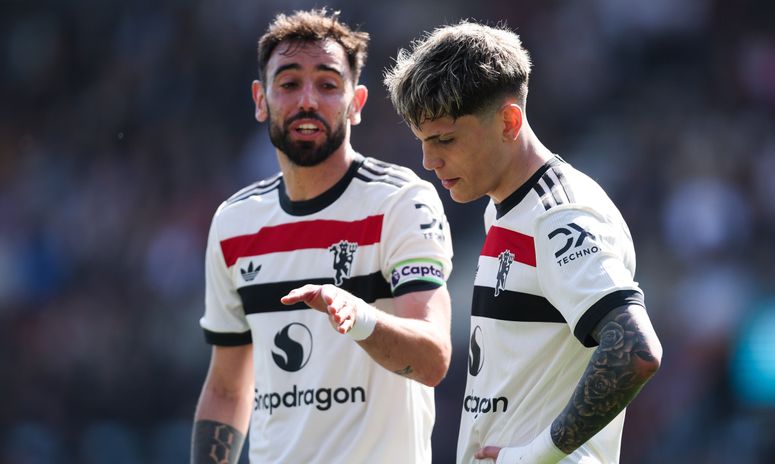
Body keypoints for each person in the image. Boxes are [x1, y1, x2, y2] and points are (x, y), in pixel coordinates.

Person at [384, 21, 662, 463]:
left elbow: (635, 348)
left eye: (445, 140)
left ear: (509, 121)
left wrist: (536, 454)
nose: (428, 161)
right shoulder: (504, 207)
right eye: (422, 142)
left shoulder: (559, 216)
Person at [191, 9, 453, 464]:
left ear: (356, 103)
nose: (307, 100)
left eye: (328, 84)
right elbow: (225, 386)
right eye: (289, 83)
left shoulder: (401, 202)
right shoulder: (234, 224)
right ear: (261, 99)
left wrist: (361, 317)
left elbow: (433, 358)